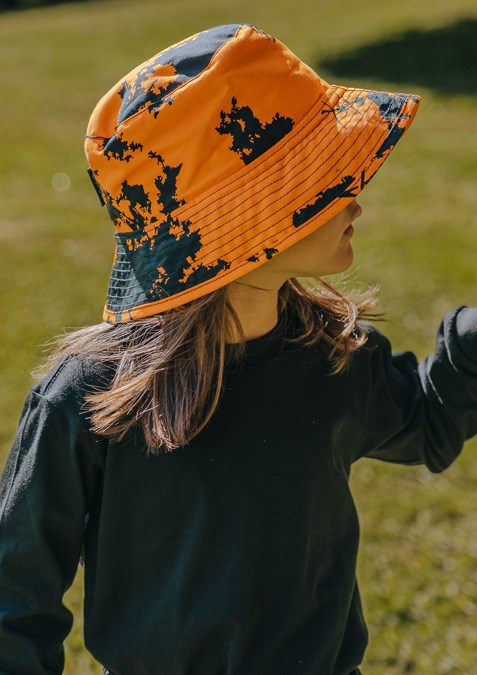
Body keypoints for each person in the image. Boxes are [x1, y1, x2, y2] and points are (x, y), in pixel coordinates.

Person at [0, 23, 476, 675]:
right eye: (324, 176)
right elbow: (14, 595)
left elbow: (422, 422)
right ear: (253, 218)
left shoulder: (333, 355)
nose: (356, 196)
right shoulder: (89, 396)